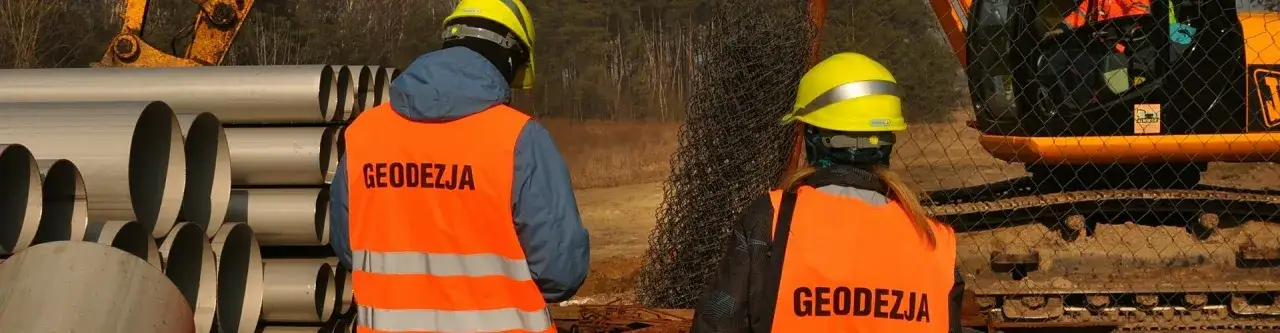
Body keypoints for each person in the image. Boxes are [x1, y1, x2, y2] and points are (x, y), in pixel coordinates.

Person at [328, 0, 591, 332]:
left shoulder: (363, 136)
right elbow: (561, 272)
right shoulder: (520, 140)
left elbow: (349, 248)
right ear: (511, 58)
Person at [689, 52, 965, 332]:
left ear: (812, 136)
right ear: (888, 139)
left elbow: (716, 323)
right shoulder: (935, 241)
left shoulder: (771, 220)